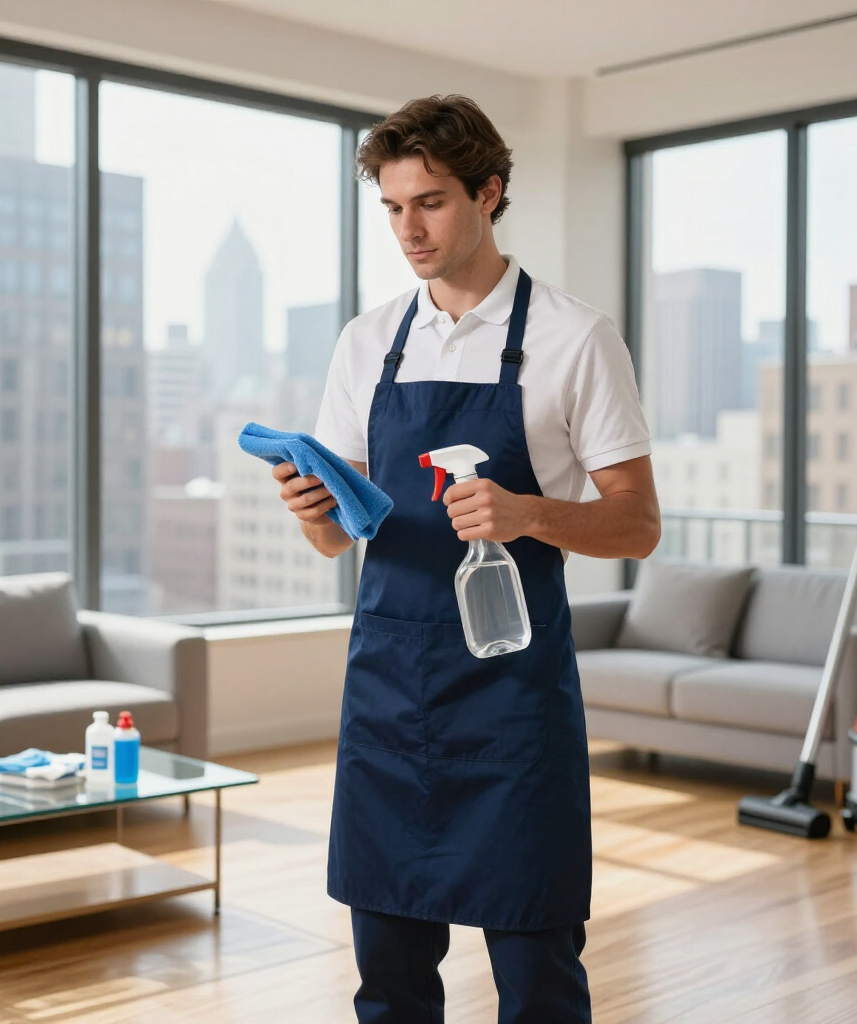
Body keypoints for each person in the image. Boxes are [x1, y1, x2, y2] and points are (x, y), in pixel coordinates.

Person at [272, 94, 659, 1024]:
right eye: (394, 208)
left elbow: (637, 524)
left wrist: (526, 513)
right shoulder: (367, 345)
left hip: (513, 706)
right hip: (389, 697)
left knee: (537, 978)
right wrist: (310, 512)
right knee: (390, 984)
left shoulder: (575, 339)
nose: (410, 229)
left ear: (489, 193)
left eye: (433, 202)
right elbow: (341, 537)